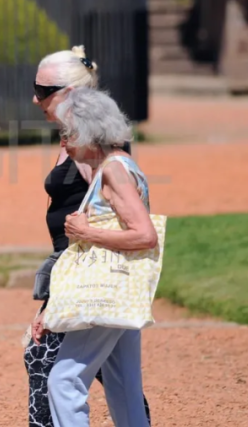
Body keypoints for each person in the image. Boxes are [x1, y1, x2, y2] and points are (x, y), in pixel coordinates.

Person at [23, 45, 150, 427]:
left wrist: (55, 298)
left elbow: (136, 230)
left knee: (58, 375)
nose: (35, 99)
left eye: (42, 91)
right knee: (123, 384)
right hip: (109, 279)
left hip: (96, 280)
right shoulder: (105, 155)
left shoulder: (104, 162)